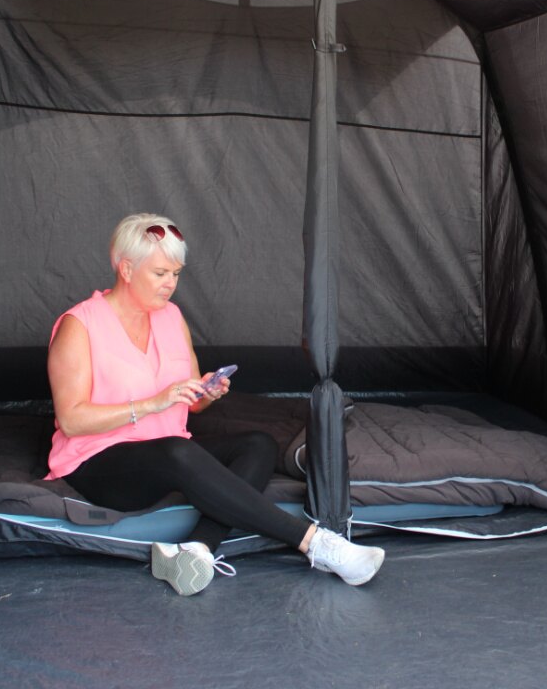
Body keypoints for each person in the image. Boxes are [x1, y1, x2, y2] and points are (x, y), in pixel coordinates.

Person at [45, 212, 385, 596]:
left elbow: (189, 408)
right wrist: (153, 403)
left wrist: (204, 393)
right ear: (126, 269)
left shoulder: (172, 317)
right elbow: (72, 420)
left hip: (168, 452)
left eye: (176, 273)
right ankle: (318, 544)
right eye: (160, 273)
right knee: (178, 451)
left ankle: (198, 547)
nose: (170, 284)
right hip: (99, 461)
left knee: (258, 445)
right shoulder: (80, 325)